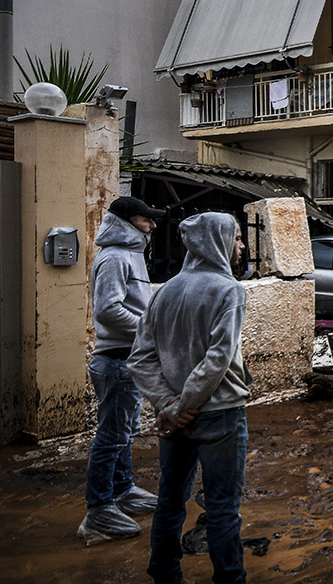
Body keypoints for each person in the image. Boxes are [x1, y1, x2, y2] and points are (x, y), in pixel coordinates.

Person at [128, 212, 250, 584]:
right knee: (223, 508)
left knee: (170, 501)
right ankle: (230, 578)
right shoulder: (229, 291)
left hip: (174, 422)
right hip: (220, 416)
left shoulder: (164, 291)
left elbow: (140, 358)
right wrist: (178, 406)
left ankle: (164, 572)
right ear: (217, 241)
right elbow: (218, 359)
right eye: (237, 238)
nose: (241, 246)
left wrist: (167, 405)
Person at [79, 196, 165, 543]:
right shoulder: (114, 257)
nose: (153, 225)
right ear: (128, 222)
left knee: (125, 433)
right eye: (147, 220)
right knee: (111, 437)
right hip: (116, 360)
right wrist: (150, 328)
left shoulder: (130, 255)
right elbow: (108, 310)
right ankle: (98, 510)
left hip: (128, 359)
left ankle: (123, 491)